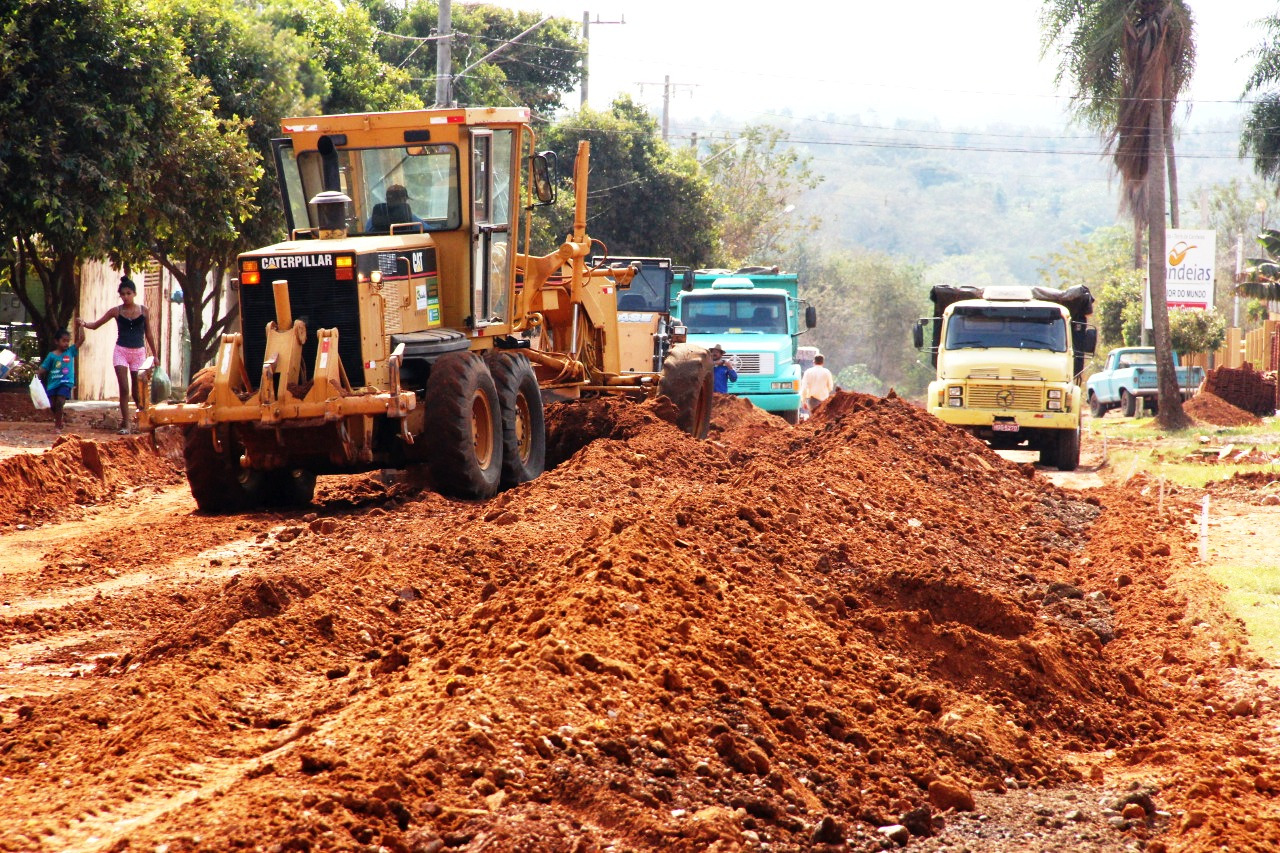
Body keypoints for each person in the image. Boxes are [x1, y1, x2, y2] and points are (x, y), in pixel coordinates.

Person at [77, 276, 159, 434]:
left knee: (137, 391)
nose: (126, 296)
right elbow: (96, 325)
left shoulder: (143, 310)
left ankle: (144, 420)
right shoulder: (116, 311)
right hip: (121, 351)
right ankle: (126, 424)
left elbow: (148, 334)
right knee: (124, 388)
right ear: (120, 295)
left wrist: (155, 355)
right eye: (123, 294)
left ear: (134, 294)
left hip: (138, 353)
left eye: (129, 293)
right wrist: (84, 323)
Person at [38, 325, 85, 434]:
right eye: (63, 341)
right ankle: (60, 419)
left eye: (68, 341)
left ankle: (57, 426)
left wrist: (82, 326)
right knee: (53, 405)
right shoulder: (51, 356)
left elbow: (82, 339)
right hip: (53, 383)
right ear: (56, 341)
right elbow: (44, 368)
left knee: (60, 402)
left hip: (66, 382)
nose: (66, 344)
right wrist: (37, 375)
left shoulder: (71, 351)